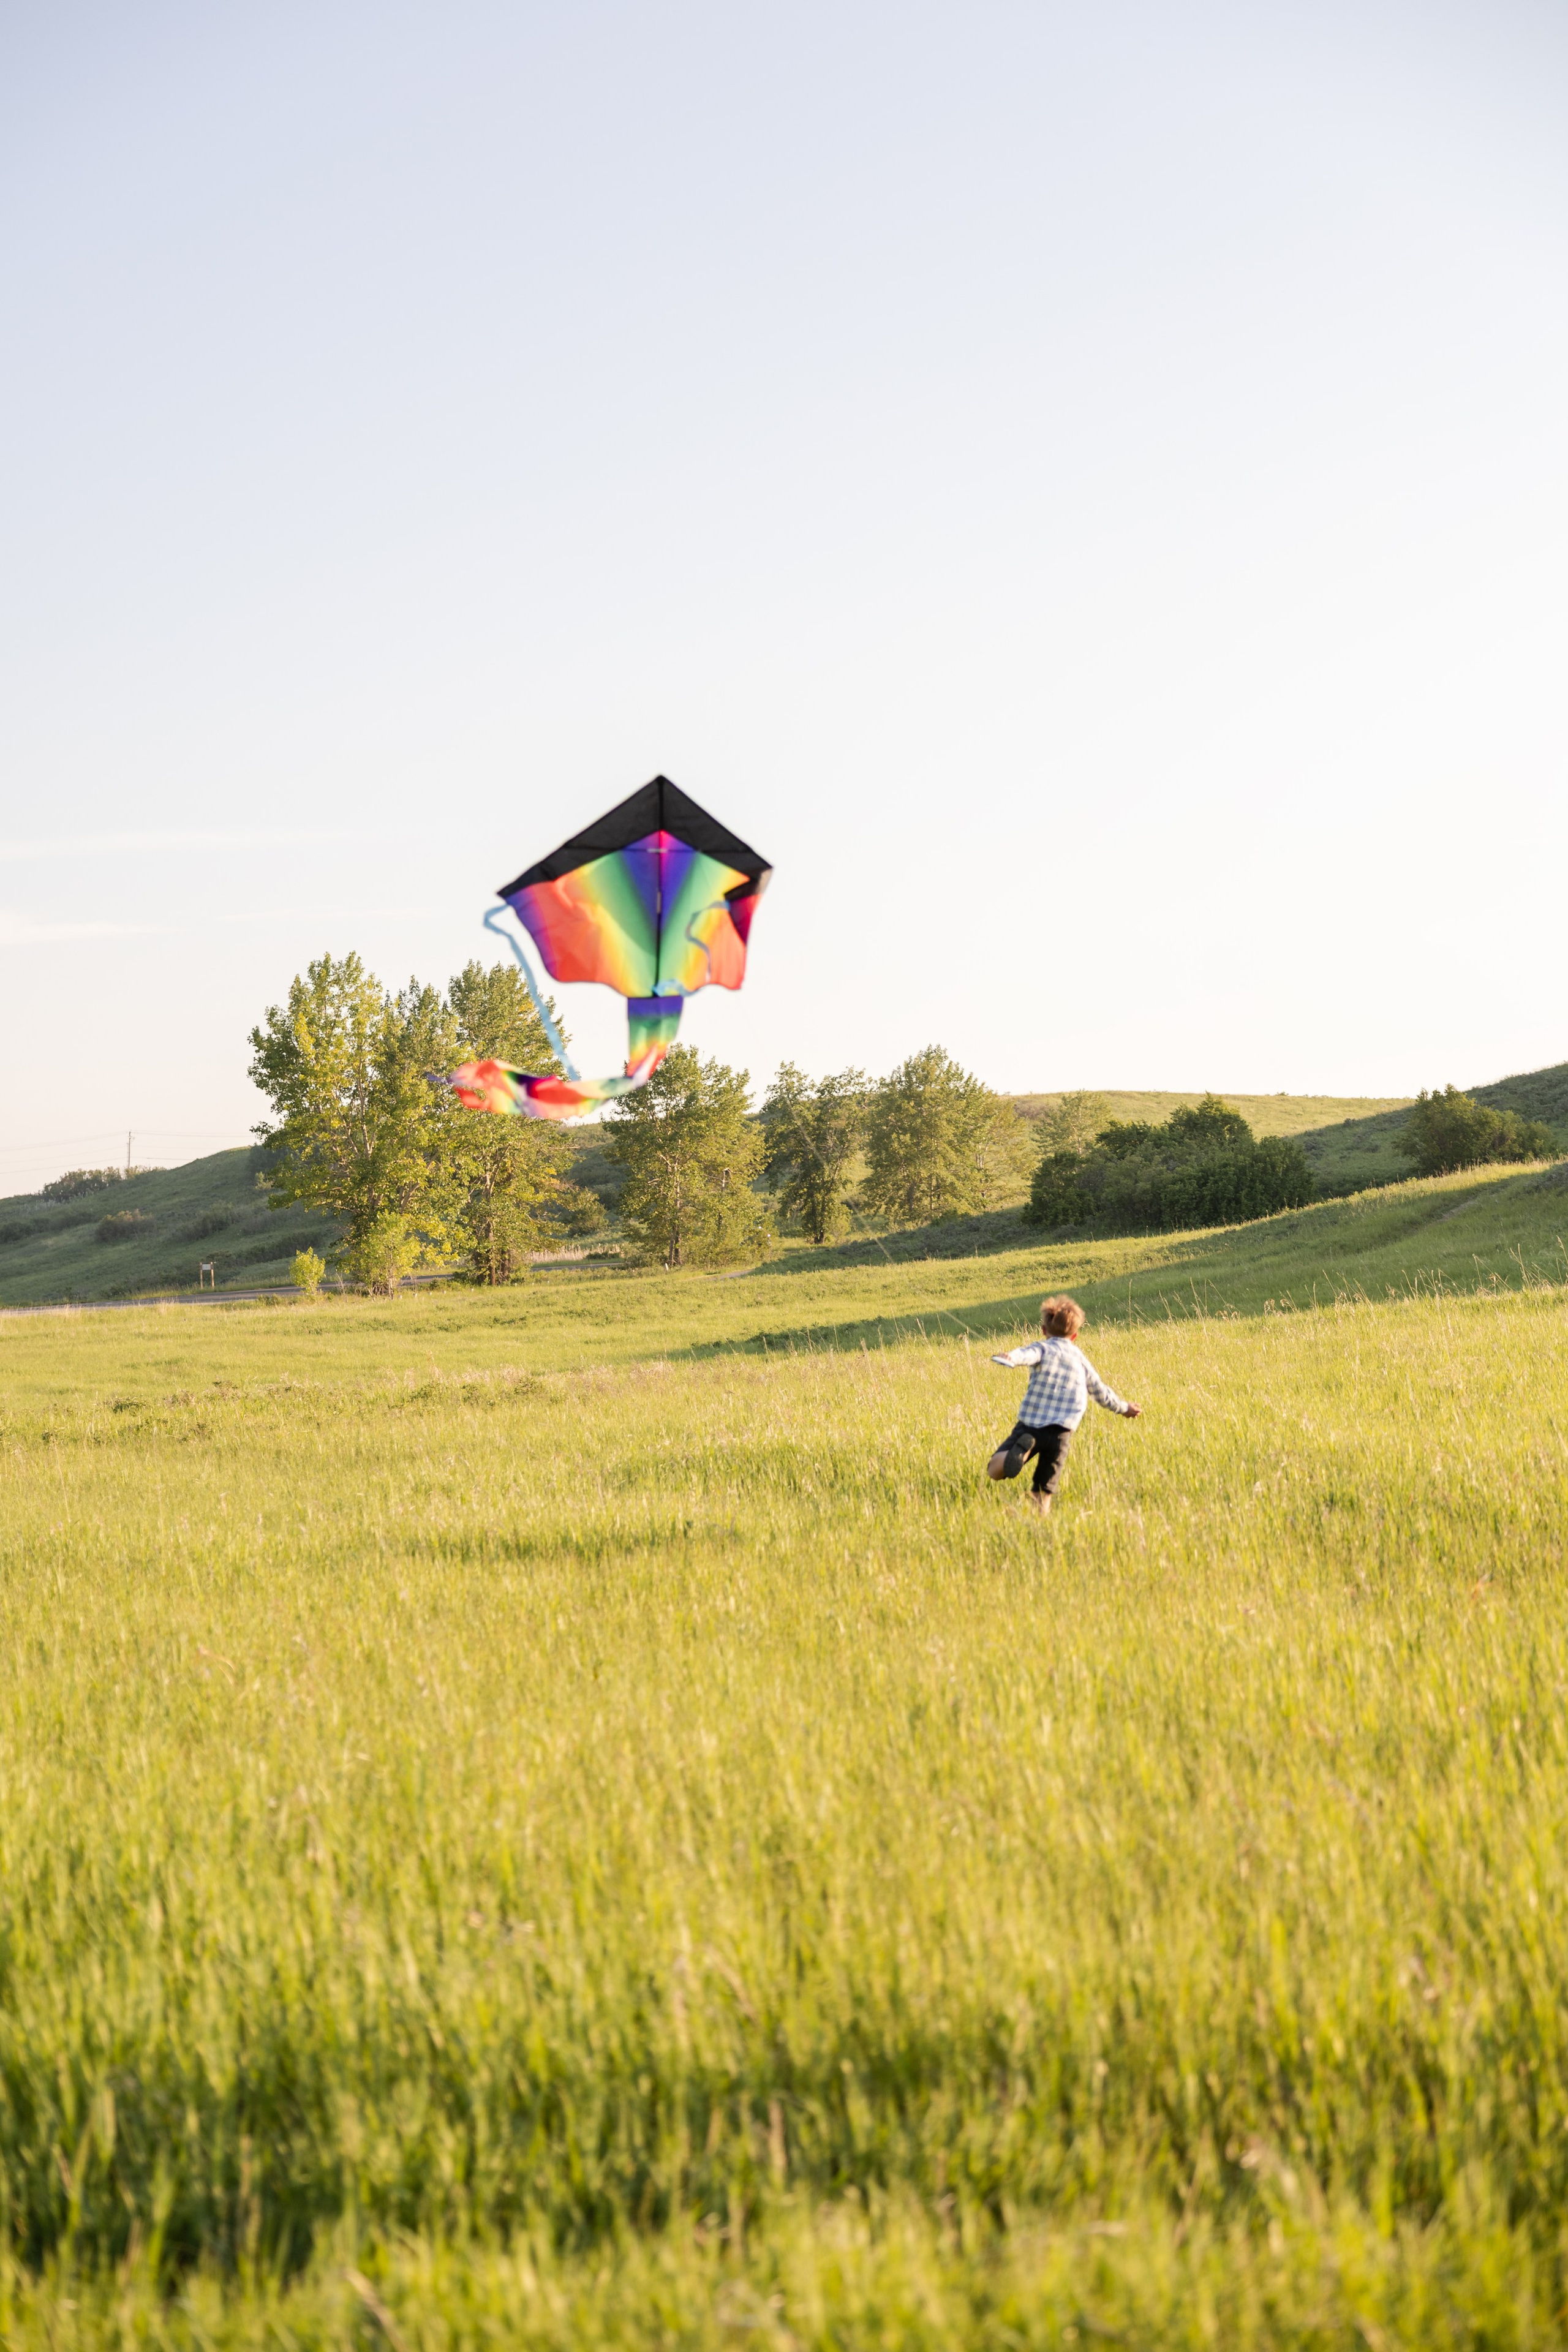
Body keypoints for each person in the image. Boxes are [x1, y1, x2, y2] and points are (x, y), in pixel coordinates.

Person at [987, 1294, 1140, 1512]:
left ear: (1043, 1330)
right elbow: (1100, 1391)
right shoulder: (1080, 1359)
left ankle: (1018, 1455)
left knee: (995, 1470)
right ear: (1075, 1335)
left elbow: (1026, 1354)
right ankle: (1041, 1523)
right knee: (1044, 1488)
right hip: (1062, 1432)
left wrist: (1010, 1357)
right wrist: (1124, 1408)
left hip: (1031, 1425)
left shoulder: (1042, 1348)